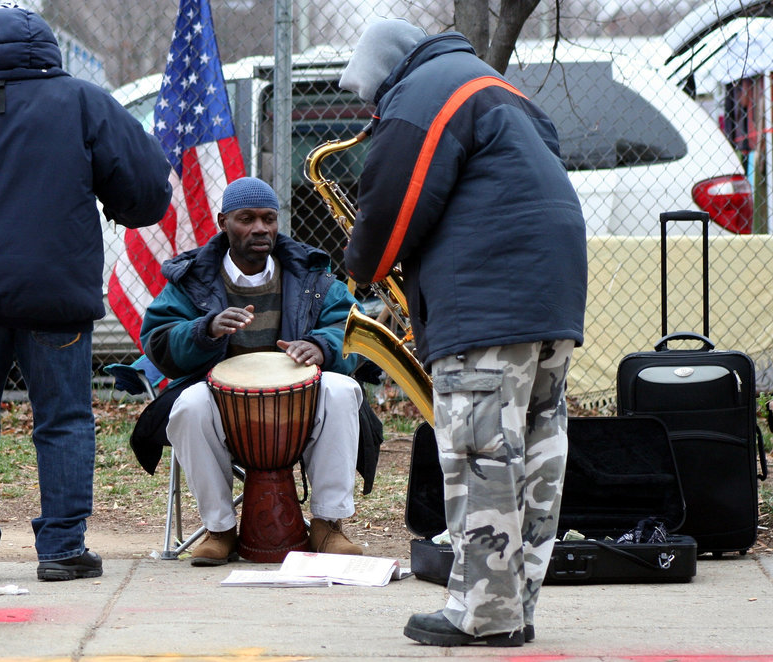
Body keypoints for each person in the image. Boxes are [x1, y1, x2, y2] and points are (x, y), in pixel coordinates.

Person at [340, 20, 588, 648]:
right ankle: (514, 607)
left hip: (488, 298)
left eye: (371, 96)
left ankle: (480, 613)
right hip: (552, 291)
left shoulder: (426, 93)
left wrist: (362, 267)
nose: (374, 110)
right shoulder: (496, 87)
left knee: (481, 454)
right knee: (535, 451)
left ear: (387, 70)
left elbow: (393, 200)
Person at [0, 3, 172, 583]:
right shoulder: (82, 102)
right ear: (47, 52)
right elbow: (145, 183)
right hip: (55, 295)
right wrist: (122, 206)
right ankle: (61, 548)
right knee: (62, 419)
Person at [138, 176, 370, 566]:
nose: (260, 228)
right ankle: (220, 529)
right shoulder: (193, 278)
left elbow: (351, 329)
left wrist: (320, 346)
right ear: (222, 222)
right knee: (189, 405)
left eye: (268, 218)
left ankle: (328, 525)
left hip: (300, 406)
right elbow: (159, 339)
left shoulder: (309, 274)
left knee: (342, 390)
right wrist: (205, 329)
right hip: (223, 408)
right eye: (247, 218)